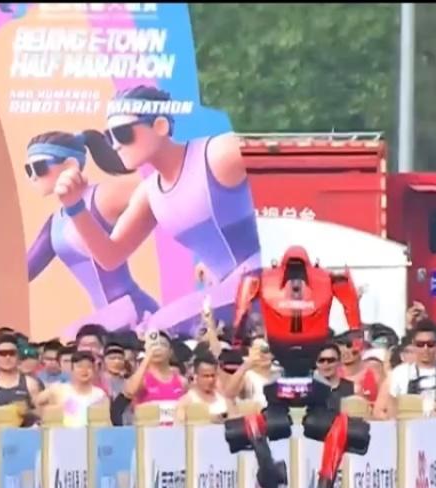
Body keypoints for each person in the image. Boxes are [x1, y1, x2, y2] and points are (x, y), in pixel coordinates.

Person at [54, 85, 260, 335]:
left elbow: (289, 155)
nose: (115, 146)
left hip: (264, 282)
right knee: (87, 335)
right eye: (109, 137)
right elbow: (110, 257)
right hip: (228, 292)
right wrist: (75, 206)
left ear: (160, 126)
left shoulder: (217, 154)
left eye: (122, 133)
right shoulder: (149, 193)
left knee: (160, 328)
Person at [23, 132, 158, 333]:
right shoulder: (55, 222)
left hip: (136, 313)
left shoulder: (101, 196)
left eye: (39, 167)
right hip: (106, 321)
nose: (33, 176)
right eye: (28, 169)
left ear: (70, 165)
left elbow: (160, 190)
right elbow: (23, 272)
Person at [375, 320, 436, 418]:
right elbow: (380, 410)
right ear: (413, 344)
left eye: (430, 344)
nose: (425, 349)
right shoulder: (399, 373)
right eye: (420, 344)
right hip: (408, 423)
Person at [122, 330, 186, 423]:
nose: (157, 348)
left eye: (162, 345)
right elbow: (130, 391)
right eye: (153, 345)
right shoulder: (142, 379)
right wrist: (147, 358)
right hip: (148, 430)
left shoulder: (182, 381)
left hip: (176, 430)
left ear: (170, 351)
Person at [35, 350, 108, 427]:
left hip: (89, 432)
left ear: (93, 370)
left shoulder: (99, 394)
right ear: (72, 369)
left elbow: (105, 421)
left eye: (89, 367)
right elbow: (37, 402)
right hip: (61, 431)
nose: (84, 371)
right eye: (79, 366)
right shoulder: (58, 389)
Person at [0, 334, 41, 423]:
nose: (7, 357)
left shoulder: (30, 384)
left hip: (23, 430)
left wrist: (27, 412)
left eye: (12, 353)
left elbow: (41, 413)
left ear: (18, 356)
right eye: (2, 353)